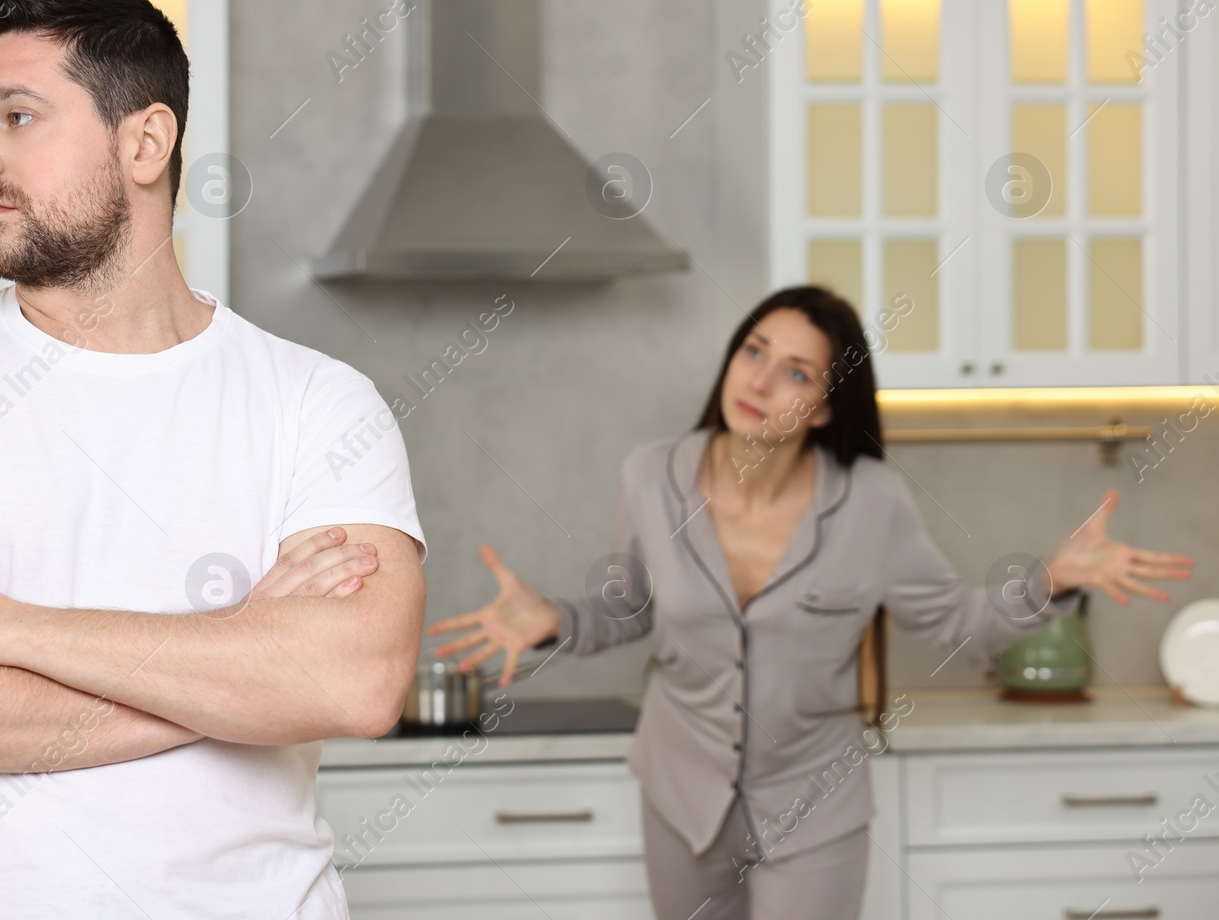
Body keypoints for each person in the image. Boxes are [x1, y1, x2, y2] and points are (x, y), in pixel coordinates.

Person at [0, 0, 427, 920]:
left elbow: (355, 683)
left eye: (18, 116)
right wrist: (239, 666)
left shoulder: (319, 401)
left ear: (146, 142)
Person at [429, 286, 1192, 920]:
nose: (757, 381)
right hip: (681, 787)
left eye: (795, 372)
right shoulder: (650, 474)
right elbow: (632, 607)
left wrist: (1052, 577)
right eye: (753, 350)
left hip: (813, 797)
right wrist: (554, 620)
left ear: (828, 406)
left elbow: (956, 624)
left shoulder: (874, 501)